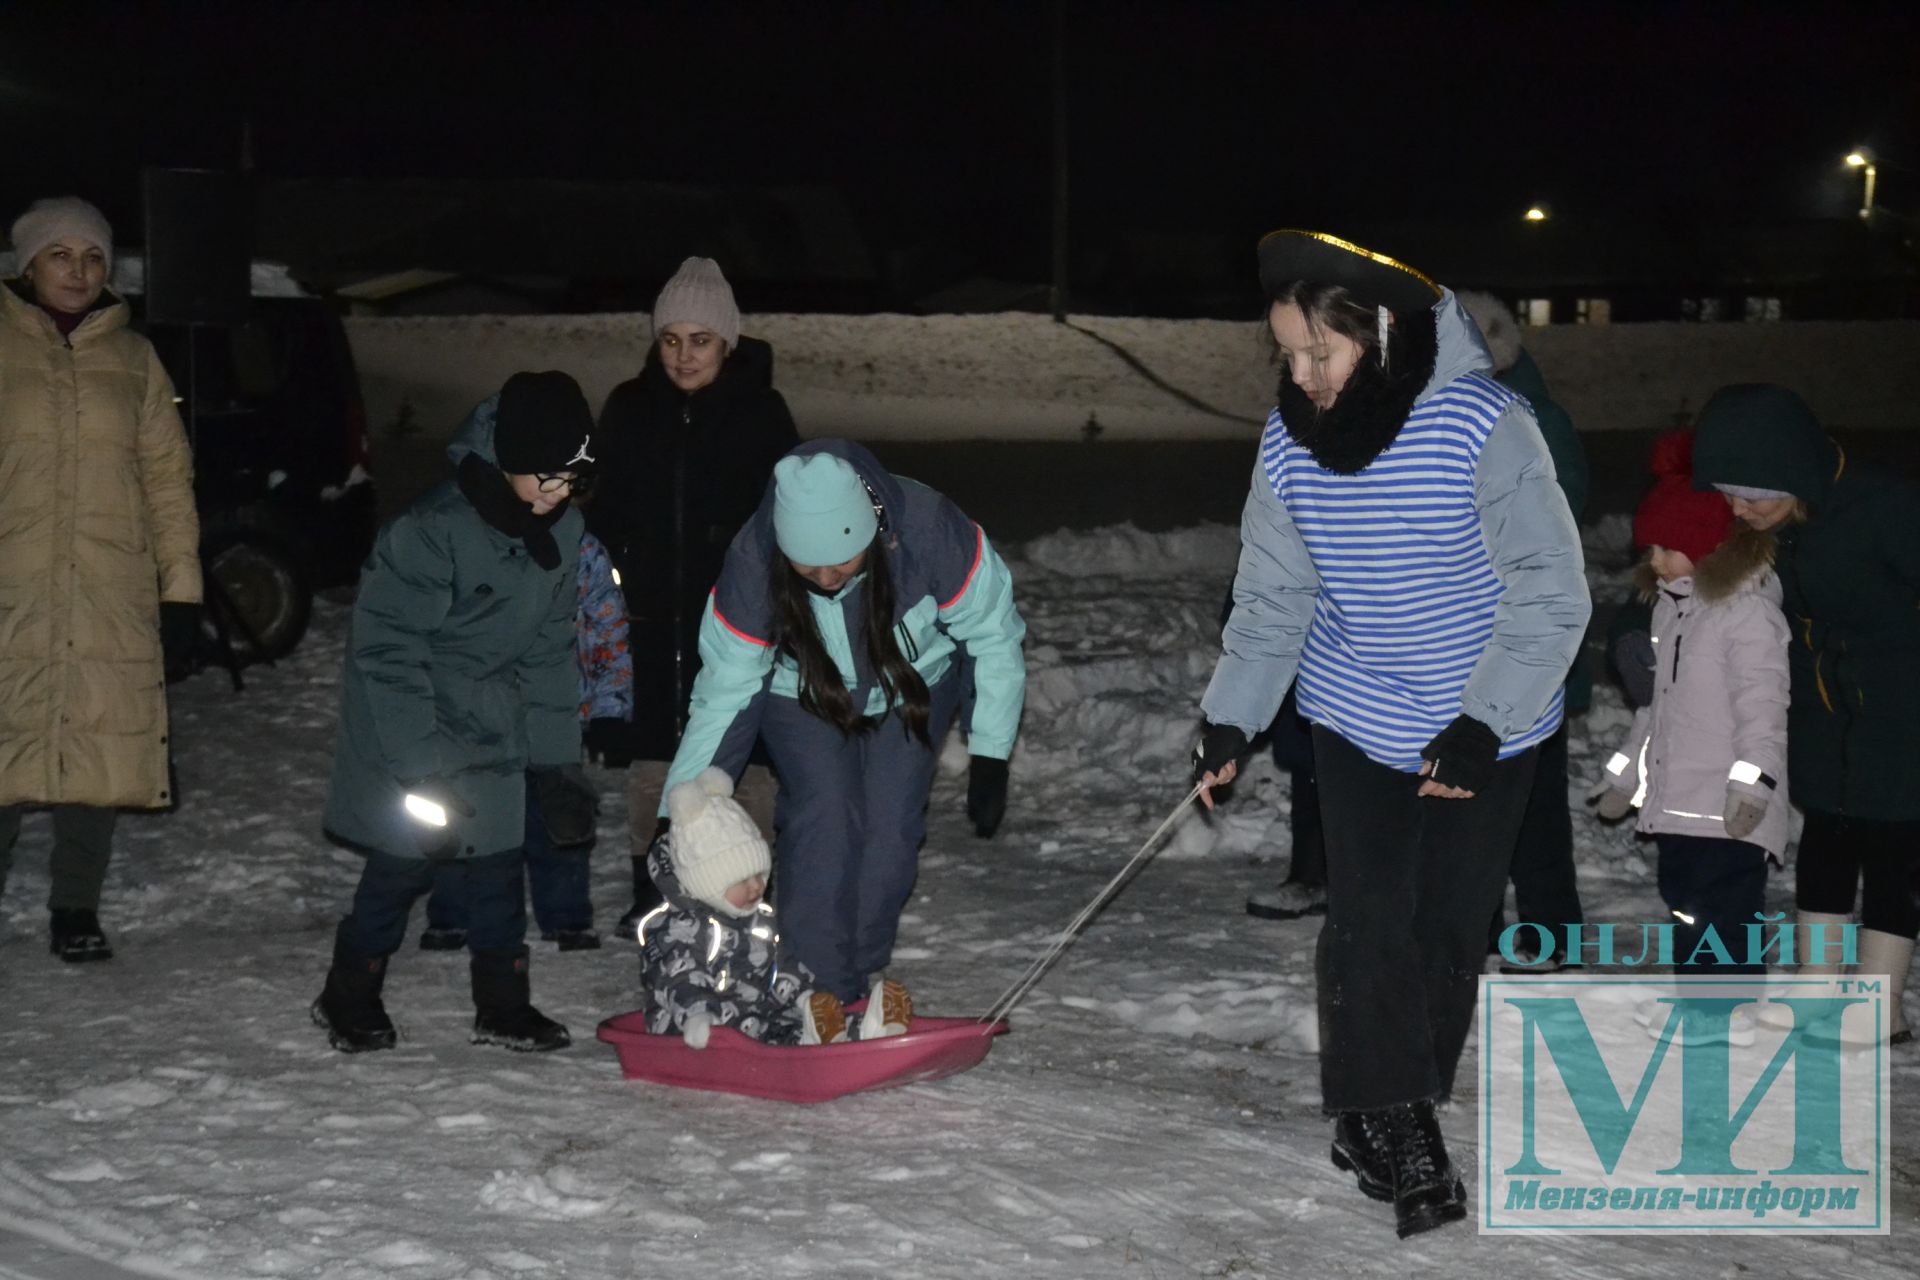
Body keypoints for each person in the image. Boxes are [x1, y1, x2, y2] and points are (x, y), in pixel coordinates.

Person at [1192, 231, 1588, 1238]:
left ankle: (1387, 1098)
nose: (1301, 375)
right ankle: (1398, 1121)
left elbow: (1551, 588)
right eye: (1286, 354)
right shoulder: (1291, 442)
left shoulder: (1481, 424)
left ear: (1380, 334)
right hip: (1356, 710)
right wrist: (1233, 710)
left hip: (1481, 721)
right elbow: (1277, 591)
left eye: (1319, 354)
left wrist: (1482, 719)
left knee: (1450, 925)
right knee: (1370, 920)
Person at [659, 439, 1026, 1005]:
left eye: (842, 562)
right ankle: (816, 986)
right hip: (801, 694)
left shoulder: (930, 531)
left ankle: (856, 973)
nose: (827, 577)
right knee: (824, 816)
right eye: (808, 565)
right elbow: (724, 691)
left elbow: (993, 636)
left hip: (913, 686)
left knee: (890, 828)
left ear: (873, 533)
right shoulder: (754, 562)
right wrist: (680, 811)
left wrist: (992, 752)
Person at [312, 372, 600, 1054]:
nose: (558, 496)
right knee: (402, 867)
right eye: (546, 479)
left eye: (571, 482)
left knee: (500, 866)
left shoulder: (564, 528)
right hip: (409, 720)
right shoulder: (430, 532)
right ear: (506, 461)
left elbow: (551, 651)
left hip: (491, 716)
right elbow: (386, 656)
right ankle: (347, 994)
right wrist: (422, 772)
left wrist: (558, 761)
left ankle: (503, 1005)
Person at [0, 197, 202, 962]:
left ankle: (75, 908)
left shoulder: (135, 357)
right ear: (28, 264)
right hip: (12, 586)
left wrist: (180, 591)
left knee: (95, 756)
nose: (79, 271)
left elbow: (167, 481)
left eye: (93, 258)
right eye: (61, 255)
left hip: (109, 588)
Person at [1690, 385, 1920, 1047]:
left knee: (1891, 851)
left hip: (1900, 711)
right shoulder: (1769, 526)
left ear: (1795, 474)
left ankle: (1881, 1002)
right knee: (1826, 837)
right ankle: (1818, 987)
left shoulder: (1887, 507)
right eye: (1729, 495)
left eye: (1753, 496)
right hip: (1824, 714)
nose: (1739, 510)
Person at [587, 257, 799, 936]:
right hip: (647, 619)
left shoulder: (761, 415)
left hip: (735, 623)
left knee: (743, 762)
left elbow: (788, 516)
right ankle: (654, 889)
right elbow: (606, 510)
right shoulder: (629, 407)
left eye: (700, 340)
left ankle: (748, 887)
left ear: (728, 343)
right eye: (671, 339)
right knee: (656, 763)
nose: (683, 355)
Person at [1591, 430, 1790, 1046]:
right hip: (1679, 802)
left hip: (1727, 805)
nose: (1654, 560)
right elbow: (1656, 712)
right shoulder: (1672, 611)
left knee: (1726, 910)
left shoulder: (1746, 615)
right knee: (1686, 907)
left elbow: (1764, 709)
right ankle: (1699, 1000)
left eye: (1667, 548)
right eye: (1652, 547)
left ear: (1707, 548)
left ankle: (1724, 1011)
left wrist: (1753, 786)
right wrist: (1627, 777)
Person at [1458, 291, 1591, 968]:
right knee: (1471, 791)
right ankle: (1474, 929)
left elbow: (1557, 523)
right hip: (1468, 642)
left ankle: (1549, 936)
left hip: (1523, 641)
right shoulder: (1472, 411)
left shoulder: (1529, 419)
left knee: (1531, 800)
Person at [419, 529, 631, 952]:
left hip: (555, 702)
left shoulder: (580, 547)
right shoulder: (465, 539)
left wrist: (610, 704)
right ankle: (454, 912)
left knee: (559, 804)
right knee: (466, 804)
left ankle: (567, 915)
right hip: (479, 702)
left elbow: (607, 624)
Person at [639, 768, 912, 1047]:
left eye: (759, 875)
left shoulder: (759, 921)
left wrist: (806, 997)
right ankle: (822, 1039)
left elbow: (782, 967)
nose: (756, 887)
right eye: (742, 880)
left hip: (757, 1019)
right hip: (694, 1029)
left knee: (791, 1026)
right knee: (760, 1034)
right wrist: (698, 1015)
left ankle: (867, 1029)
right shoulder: (679, 929)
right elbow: (678, 980)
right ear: (707, 884)